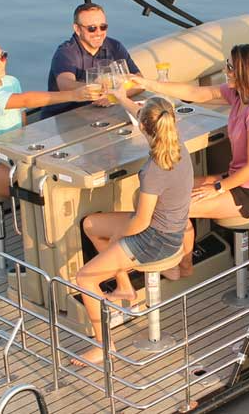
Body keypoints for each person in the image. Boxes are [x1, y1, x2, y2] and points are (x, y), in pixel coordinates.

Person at [128, 44, 249, 280]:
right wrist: (147, 84)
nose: (225, 69)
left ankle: (181, 264)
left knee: (169, 207)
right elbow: (196, 93)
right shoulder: (239, 95)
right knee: (168, 195)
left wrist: (218, 187)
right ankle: (178, 256)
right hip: (236, 180)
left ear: (245, 72)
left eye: (230, 66)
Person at [72, 92, 193, 366]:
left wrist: (117, 238)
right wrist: (118, 97)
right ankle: (125, 287)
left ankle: (104, 346)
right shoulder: (178, 144)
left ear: (142, 128)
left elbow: (141, 221)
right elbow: (143, 112)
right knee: (91, 224)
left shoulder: (155, 169)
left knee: (85, 278)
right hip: (169, 229)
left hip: (156, 239)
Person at [0, 34, 103, 197]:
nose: (1, 64)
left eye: (3, 57)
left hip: (11, 152)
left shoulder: (11, 82)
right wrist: (74, 95)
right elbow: (25, 100)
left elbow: (22, 119)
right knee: (39, 189)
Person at [40, 3, 143, 120]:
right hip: (63, 116)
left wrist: (113, 97)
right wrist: (97, 89)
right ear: (77, 29)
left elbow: (139, 81)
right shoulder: (66, 53)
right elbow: (65, 84)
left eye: (103, 27)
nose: (98, 32)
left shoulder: (114, 47)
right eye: (92, 28)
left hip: (98, 113)